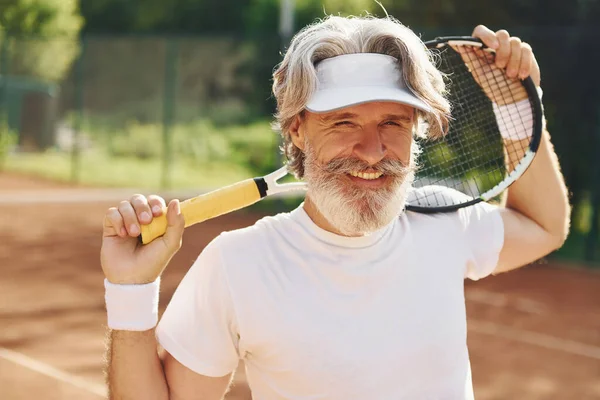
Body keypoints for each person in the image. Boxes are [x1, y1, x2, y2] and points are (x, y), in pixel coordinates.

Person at [101, 15, 570, 400]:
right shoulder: (238, 263)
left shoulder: (443, 219)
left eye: (393, 122)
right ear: (297, 131)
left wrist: (516, 105)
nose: (371, 149)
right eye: (343, 122)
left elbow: (543, 225)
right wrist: (130, 290)